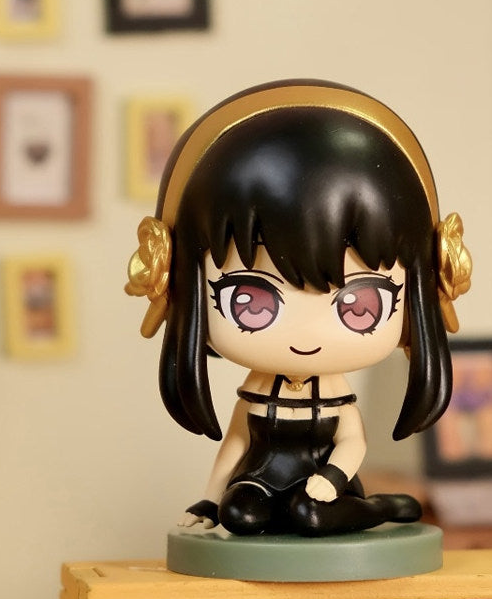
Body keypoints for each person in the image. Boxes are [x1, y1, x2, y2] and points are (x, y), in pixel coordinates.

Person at [126, 80, 472, 537]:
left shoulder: (333, 393)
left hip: (325, 488)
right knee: (238, 515)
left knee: (311, 516)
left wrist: (333, 478)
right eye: (251, 302)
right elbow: (237, 442)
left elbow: (352, 441)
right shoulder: (258, 390)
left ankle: (381, 507)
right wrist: (210, 498)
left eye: (359, 305)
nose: (306, 334)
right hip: (260, 479)